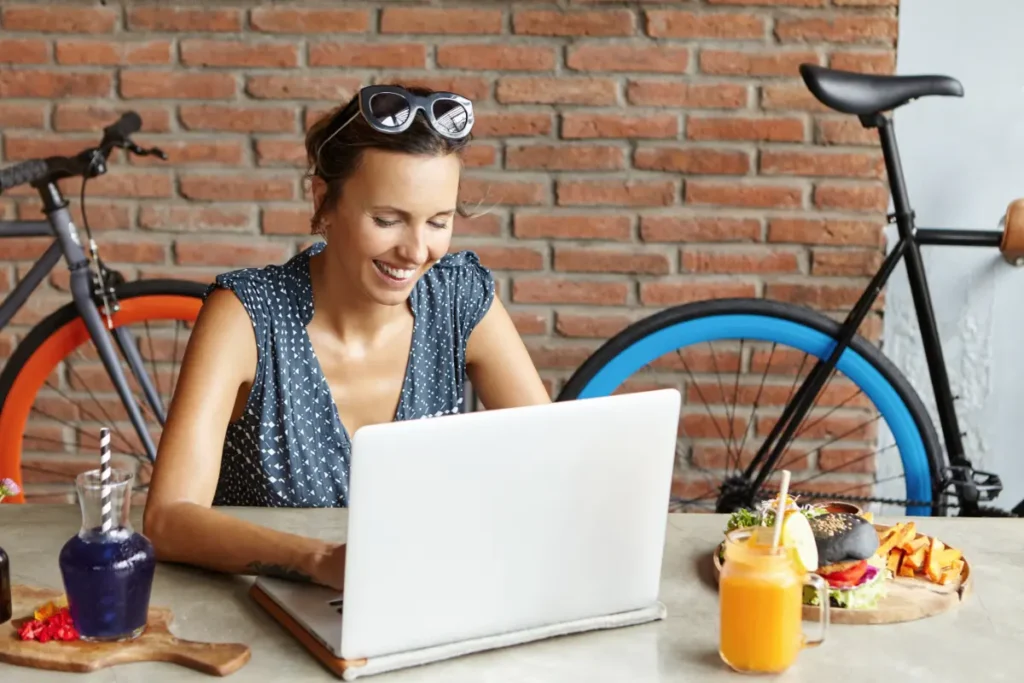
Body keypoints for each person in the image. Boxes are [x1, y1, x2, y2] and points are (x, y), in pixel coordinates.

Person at [143, 85, 551, 590]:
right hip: (265, 607)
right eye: (387, 220)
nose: (416, 251)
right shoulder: (247, 315)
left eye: (438, 222)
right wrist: (316, 560)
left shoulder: (459, 299)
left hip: (420, 594)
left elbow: (553, 461)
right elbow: (168, 518)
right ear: (324, 202)